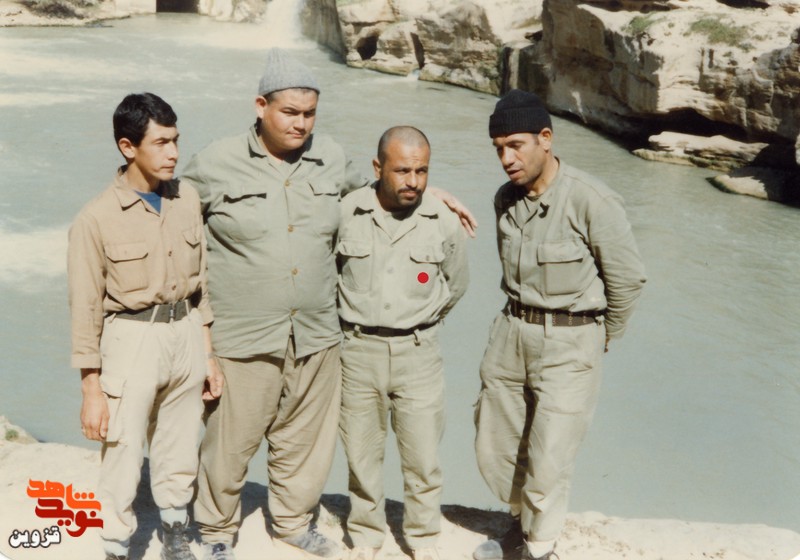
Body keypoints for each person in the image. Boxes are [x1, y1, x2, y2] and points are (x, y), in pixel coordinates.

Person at [181, 49, 476, 560]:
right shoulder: (214, 162)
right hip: (243, 335)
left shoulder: (332, 158)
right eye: (289, 112)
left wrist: (435, 194)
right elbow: (177, 223)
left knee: (304, 443)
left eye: (310, 113)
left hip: (317, 335)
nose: (300, 123)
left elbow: (384, 191)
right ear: (260, 106)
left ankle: (292, 524)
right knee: (230, 440)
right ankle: (216, 530)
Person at [472, 89, 647, 560]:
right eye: (498, 149)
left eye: (516, 146)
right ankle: (519, 525)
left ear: (545, 139)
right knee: (498, 444)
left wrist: (601, 336)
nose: (506, 159)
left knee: (550, 457)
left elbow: (627, 280)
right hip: (511, 334)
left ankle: (540, 548)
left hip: (570, 341)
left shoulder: (591, 200)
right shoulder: (505, 199)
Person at [68, 92, 219, 560]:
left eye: (175, 140)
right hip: (131, 338)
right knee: (123, 449)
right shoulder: (95, 218)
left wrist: (208, 354)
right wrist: (91, 390)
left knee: (179, 441)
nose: (173, 152)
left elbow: (202, 284)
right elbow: (85, 309)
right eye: (160, 143)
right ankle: (116, 544)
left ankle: (175, 533)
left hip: (186, 330)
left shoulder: (186, 198)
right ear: (127, 147)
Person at [337, 127, 469, 560]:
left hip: (418, 353)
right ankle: (366, 536)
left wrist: (421, 323)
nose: (413, 181)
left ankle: (424, 539)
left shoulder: (443, 220)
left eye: (422, 171)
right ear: (378, 168)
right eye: (402, 171)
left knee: (423, 457)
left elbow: (456, 284)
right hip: (358, 351)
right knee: (361, 454)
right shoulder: (347, 213)